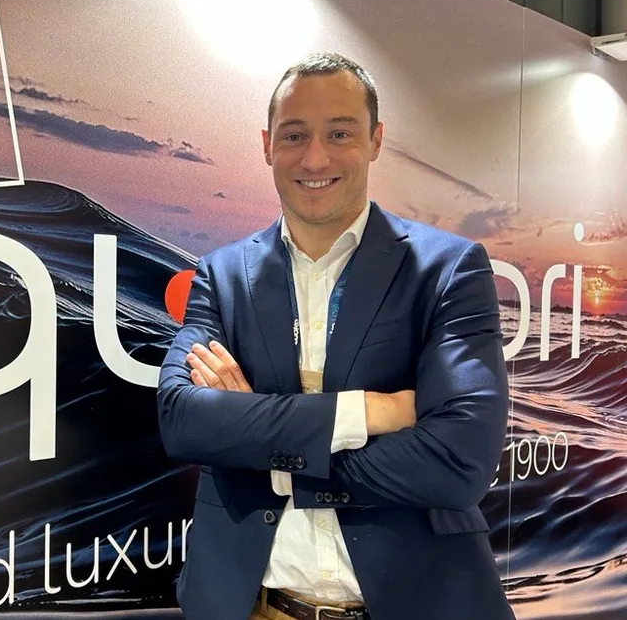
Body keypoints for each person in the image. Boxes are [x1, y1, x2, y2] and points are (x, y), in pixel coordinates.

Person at [156, 53, 513, 620]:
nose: (315, 158)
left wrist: (262, 447)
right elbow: (183, 420)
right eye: (294, 135)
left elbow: (459, 461)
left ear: (375, 140)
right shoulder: (221, 276)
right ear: (267, 145)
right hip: (253, 608)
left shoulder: (448, 270)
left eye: (340, 133)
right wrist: (366, 413)